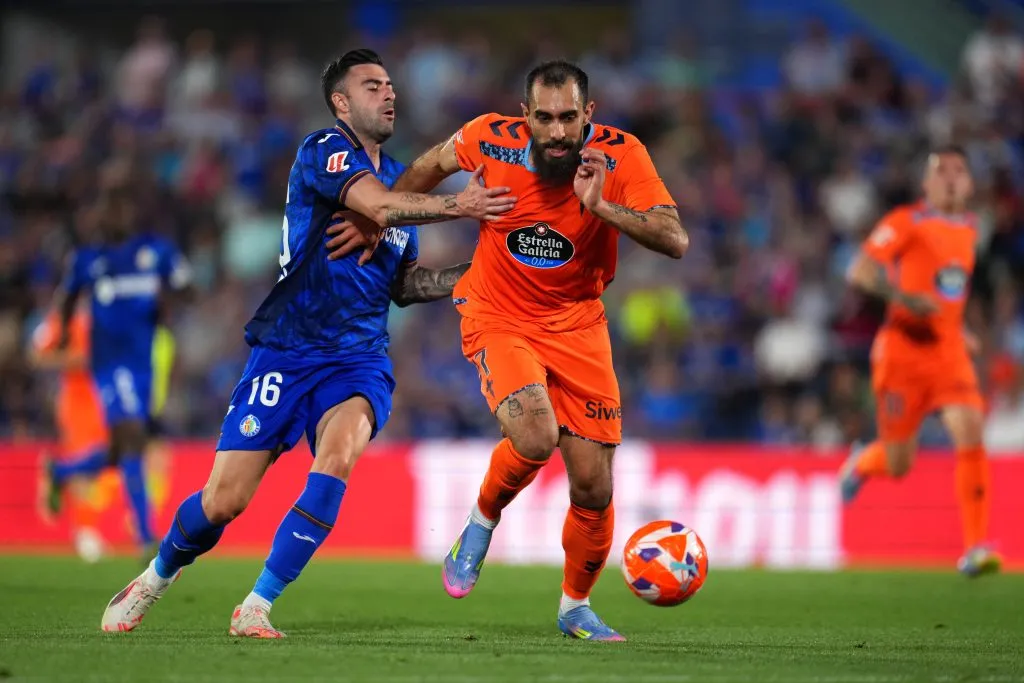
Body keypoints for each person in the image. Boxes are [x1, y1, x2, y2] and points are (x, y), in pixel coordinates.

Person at [99, 48, 515, 637]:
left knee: (339, 453)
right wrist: (462, 205)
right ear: (341, 102)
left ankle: (257, 605)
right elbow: (379, 206)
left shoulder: (404, 183)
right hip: (288, 349)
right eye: (372, 86)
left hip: (358, 357)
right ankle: (155, 576)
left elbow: (405, 285)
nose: (388, 94)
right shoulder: (324, 150)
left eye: (391, 85)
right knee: (224, 502)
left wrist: (478, 272)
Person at [332, 60, 687, 640]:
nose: (555, 131)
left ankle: (575, 606)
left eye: (567, 118)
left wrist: (601, 208)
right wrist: (377, 219)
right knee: (534, 435)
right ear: (524, 116)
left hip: (578, 325)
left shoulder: (621, 156)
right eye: (543, 117)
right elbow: (427, 166)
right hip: (498, 314)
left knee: (594, 487)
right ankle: (481, 520)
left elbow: (674, 238)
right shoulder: (487, 137)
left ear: (588, 116)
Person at [839, 145, 1001, 577]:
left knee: (970, 429)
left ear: (968, 182)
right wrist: (904, 298)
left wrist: (959, 328)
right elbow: (860, 272)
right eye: (941, 171)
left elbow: (949, 291)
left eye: (959, 171)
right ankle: (861, 462)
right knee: (898, 463)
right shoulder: (905, 222)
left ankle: (974, 548)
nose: (951, 177)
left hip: (948, 352)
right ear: (926, 183)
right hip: (902, 352)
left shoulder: (971, 227)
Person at [48, 188, 192, 561]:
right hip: (110, 364)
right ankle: (146, 536)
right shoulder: (88, 260)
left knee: (123, 448)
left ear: (131, 215)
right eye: (105, 210)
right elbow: (66, 299)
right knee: (131, 438)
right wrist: (64, 334)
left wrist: (169, 300)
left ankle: (63, 472)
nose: (112, 217)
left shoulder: (155, 253)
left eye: (119, 209)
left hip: (143, 364)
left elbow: (187, 287)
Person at [31, 303, 114, 562]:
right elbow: (36, 355)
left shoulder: (109, 318)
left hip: (106, 400)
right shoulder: (62, 320)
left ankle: (58, 472)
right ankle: (84, 532)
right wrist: (75, 360)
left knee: (100, 462)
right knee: (85, 458)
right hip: (77, 403)